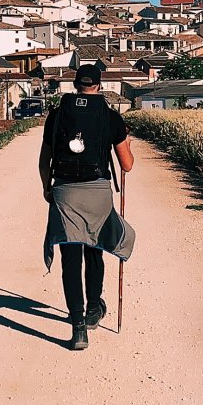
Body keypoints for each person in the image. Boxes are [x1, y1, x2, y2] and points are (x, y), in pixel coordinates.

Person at [40, 64, 134, 351]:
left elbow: (45, 160)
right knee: (95, 249)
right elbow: (127, 164)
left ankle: (79, 327)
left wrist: (47, 188)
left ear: (75, 84)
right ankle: (94, 309)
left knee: (70, 257)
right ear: (100, 84)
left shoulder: (56, 115)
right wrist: (126, 140)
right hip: (98, 191)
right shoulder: (111, 117)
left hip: (65, 190)